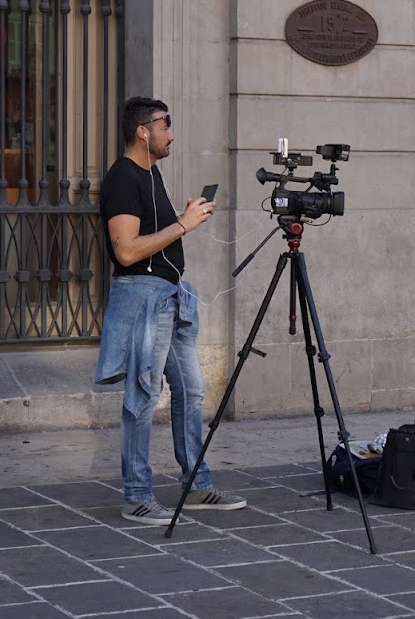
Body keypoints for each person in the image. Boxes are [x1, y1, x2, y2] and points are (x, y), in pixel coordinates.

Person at [94, 96, 247, 525]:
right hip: (144, 298)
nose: (172, 134)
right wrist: (184, 224)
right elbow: (125, 251)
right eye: (166, 125)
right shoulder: (123, 179)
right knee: (142, 397)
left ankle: (196, 486)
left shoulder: (150, 173)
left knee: (191, 389)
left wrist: (181, 217)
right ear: (143, 131)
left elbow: (152, 235)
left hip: (172, 297)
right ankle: (137, 495)